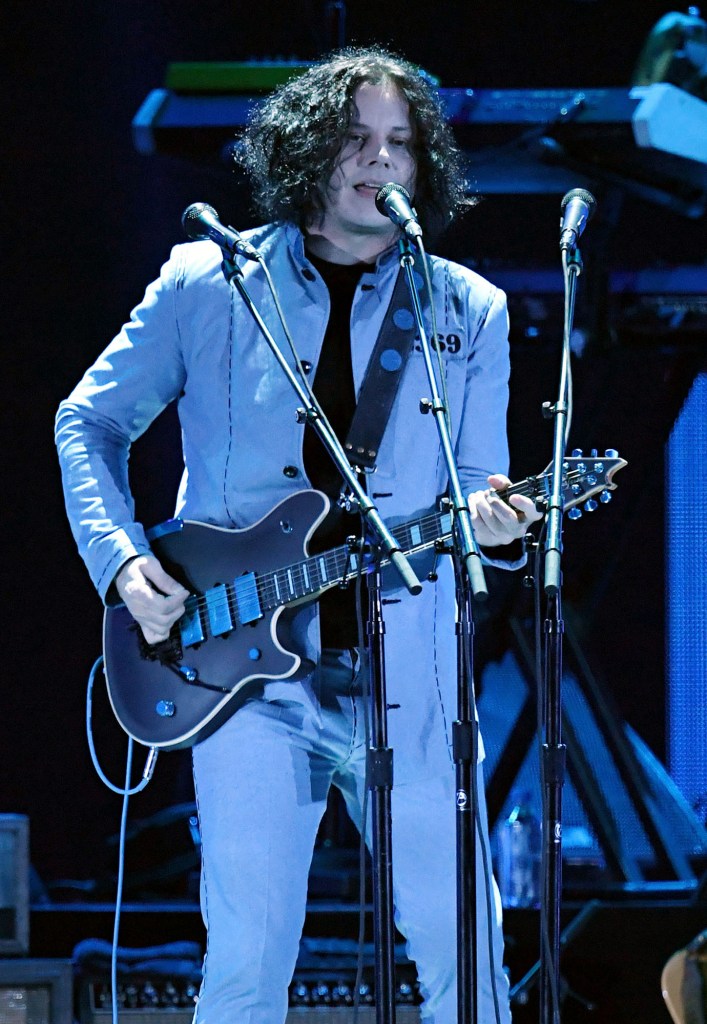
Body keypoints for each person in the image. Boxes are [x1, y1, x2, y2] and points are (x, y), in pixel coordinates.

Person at [56, 46, 541, 1024]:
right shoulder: (209, 279)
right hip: (241, 671)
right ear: (309, 149)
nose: (378, 160)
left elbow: (476, 487)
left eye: (400, 144)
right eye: (355, 138)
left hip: (413, 674)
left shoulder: (465, 306)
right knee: (245, 960)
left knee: (468, 957)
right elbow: (88, 421)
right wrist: (122, 561)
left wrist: (498, 527)